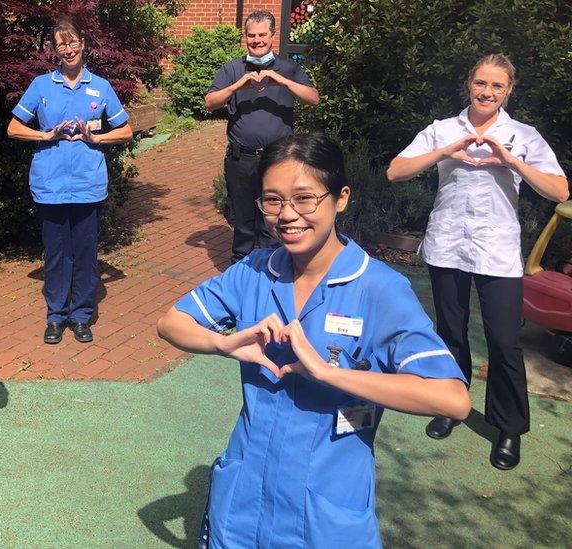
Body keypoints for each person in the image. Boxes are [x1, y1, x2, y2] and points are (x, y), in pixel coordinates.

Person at [157, 133, 471, 547]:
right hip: (243, 500)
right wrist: (224, 343)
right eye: (272, 200)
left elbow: (451, 399)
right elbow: (171, 322)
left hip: (325, 510)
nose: (287, 215)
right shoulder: (255, 270)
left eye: (304, 198)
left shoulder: (378, 288)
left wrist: (328, 373)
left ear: (340, 198)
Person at [387, 53, 569, 470]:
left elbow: (559, 190)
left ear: (509, 90)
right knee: (450, 332)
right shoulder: (442, 130)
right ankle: (451, 405)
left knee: (504, 341)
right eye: (481, 84)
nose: (487, 92)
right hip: (447, 244)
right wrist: (446, 151)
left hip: (497, 251)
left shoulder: (523, 135)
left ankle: (508, 428)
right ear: (469, 84)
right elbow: (396, 171)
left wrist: (511, 161)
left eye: (497, 86)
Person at [7, 19, 133, 345]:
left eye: (72, 41)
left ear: (82, 43)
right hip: (50, 185)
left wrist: (96, 137)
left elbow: (126, 131)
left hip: (88, 185)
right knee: (56, 254)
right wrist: (44, 134)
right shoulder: (41, 86)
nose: (68, 48)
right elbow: (13, 128)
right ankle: (55, 316)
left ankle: (80, 316)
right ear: (55, 50)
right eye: (61, 43)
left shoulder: (101, 86)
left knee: (86, 254)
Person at [204, 10, 319, 264]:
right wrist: (237, 86)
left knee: (277, 214)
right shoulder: (232, 68)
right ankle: (241, 269)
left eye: (262, 35)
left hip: (278, 159)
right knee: (242, 216)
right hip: (241, 158)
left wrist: (282, 80)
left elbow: (314, 98)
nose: (256, 40)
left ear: (273, 35)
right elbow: (210, 102)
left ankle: (273, 266)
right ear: (245, 37)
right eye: (251, 35)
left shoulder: (288, 68)